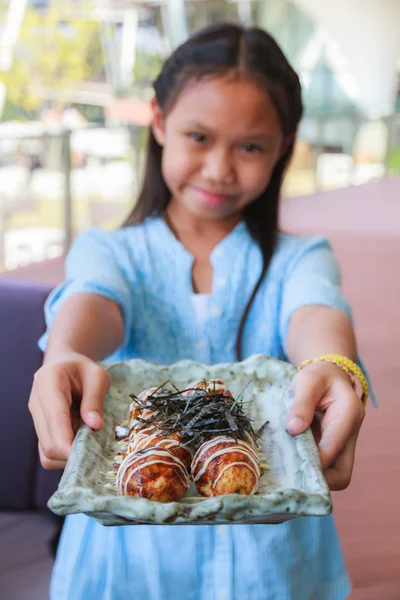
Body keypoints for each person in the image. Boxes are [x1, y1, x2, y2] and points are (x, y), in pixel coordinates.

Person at [29, 22, 370, 600]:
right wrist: (65, 355)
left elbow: (316, 309)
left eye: (250, 146)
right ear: (159, 122)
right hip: (127, 560)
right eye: (198, 137)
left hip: (274, 563)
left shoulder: (300, 257)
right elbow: (94, 300)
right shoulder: (111, 251)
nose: (219, 169)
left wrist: (336, 365)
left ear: (283, 146)